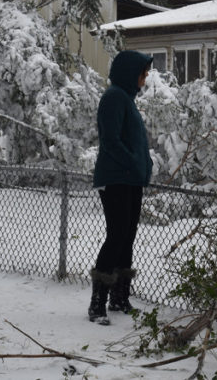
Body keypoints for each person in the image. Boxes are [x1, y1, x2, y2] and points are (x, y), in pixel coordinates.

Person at [88, 50, 154, 325]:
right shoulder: (114, 98)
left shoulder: (126, 99)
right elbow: (111, 140)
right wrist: (132, 163)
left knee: (127, 237)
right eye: (143, 73)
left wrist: (143, 165)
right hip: (116, 178)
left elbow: (133, 141)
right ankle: (98, 303)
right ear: (130, 73)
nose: (145, 79)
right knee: (116, 237)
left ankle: (119, 296)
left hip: (131, 178)